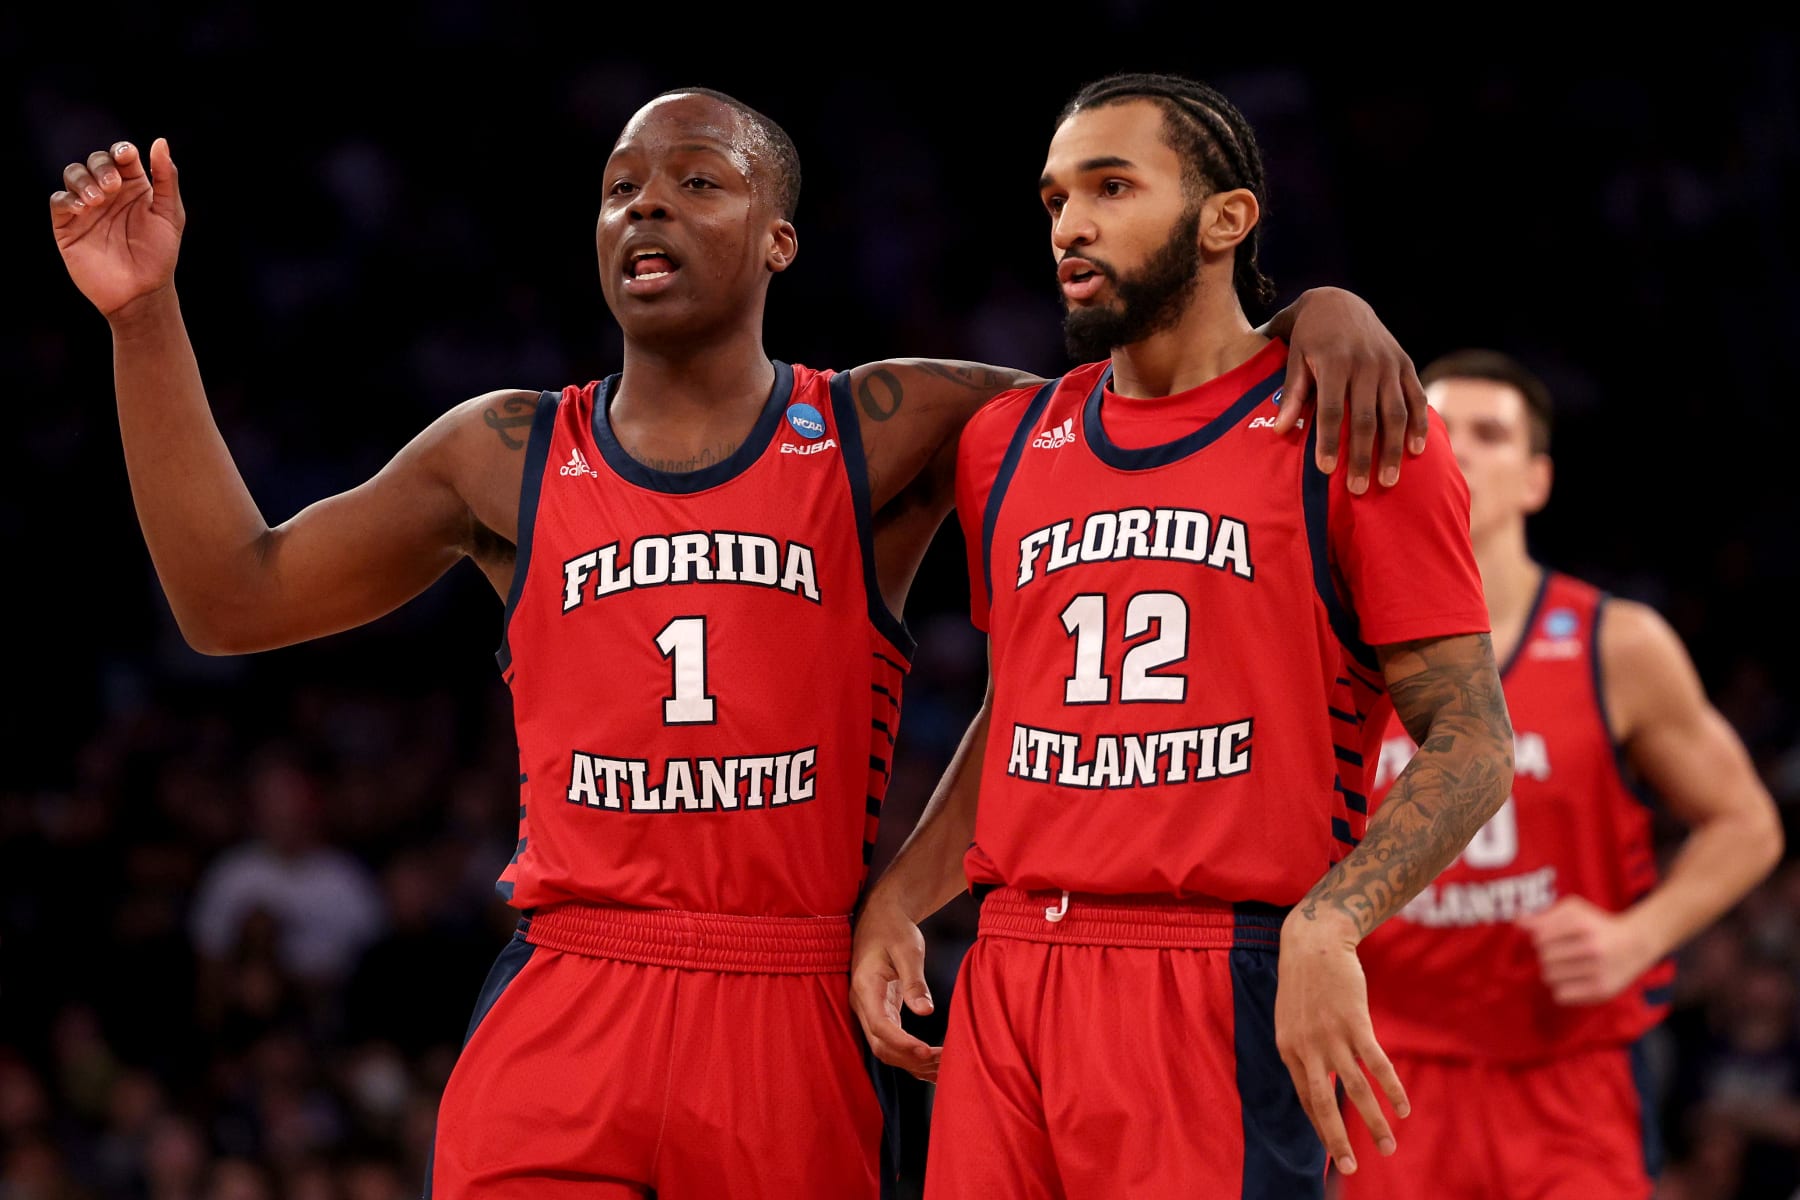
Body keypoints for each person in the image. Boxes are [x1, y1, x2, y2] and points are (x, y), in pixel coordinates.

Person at [51, 86, 1430, 1199]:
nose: (646, 201)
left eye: (697, 179)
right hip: (568, 991)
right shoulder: (503, 450)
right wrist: (145, 318)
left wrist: (1314, 312)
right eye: (618, 187)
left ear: (779, 237)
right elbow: (231, 599)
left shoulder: (890, 424)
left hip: (788, 1003)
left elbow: (1161, 388)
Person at [849, 71, 1517, 1199]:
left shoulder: (1348, 424)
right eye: (1057, 197)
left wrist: (1332, 923)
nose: (1073, 223)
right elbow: (1019, 709)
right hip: (1010, 969)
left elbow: (1474, 736)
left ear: (1226, 218)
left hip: (1218, 968)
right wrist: (899, 899)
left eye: (1113, 186)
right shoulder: (1008, 441)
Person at [1337, 350, 1783, 1200]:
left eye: (1490, 434)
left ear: (1538, 480)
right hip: (1388, 1076)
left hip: (1566, 1073)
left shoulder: (1616, 643)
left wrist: (1640, 938)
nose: (1457, 449)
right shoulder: (1337, 646)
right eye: (1436, 429)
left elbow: (1749, 824)